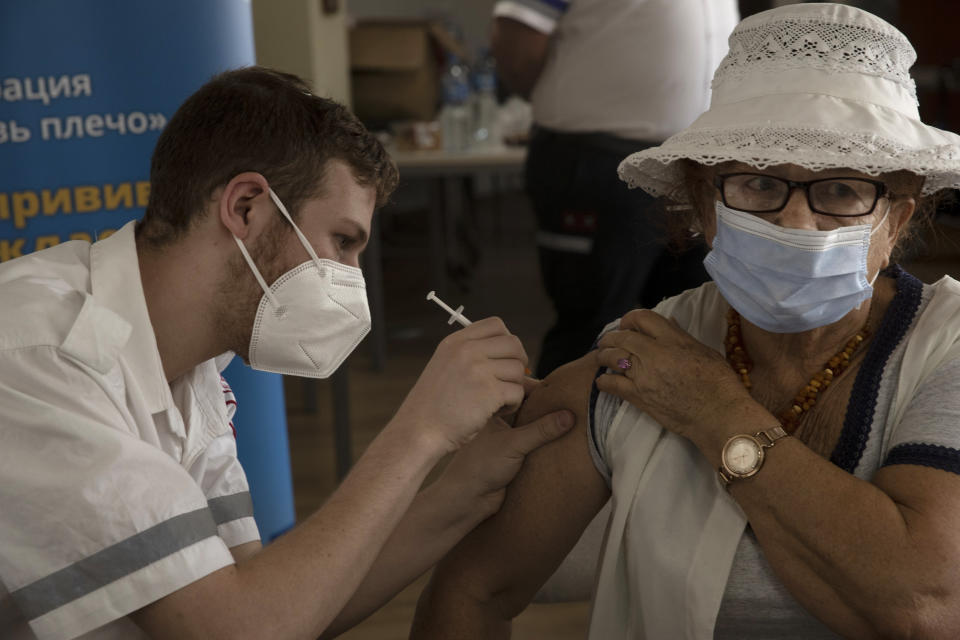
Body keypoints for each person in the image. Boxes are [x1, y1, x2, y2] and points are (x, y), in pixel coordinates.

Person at [412, 4, 960, 638]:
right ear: (705, 202)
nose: (796, 223)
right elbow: (471, 589)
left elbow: (924, 607)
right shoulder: (638, 358)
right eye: (758, 184)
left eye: (841, 191)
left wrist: (715, 412)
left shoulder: (945, 349)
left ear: (893, 222)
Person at [0, 66, 577, 639]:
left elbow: (273, 599)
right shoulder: (41, 354)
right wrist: (421, 430)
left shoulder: (187, 366)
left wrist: (461, 491)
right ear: (247, 207)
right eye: (342, 243)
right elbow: (238, 630)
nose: (353, 281)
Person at [490, 0, 740, 377]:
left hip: (696, 162)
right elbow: (518, 43)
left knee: (693, 321)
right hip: (597, 160)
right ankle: (557, 432)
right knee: (592, 324)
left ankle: (656, 431)